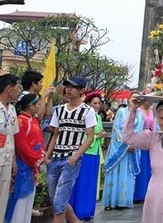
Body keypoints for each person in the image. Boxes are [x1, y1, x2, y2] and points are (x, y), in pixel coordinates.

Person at [45, 76, 97, 223]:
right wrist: (47, 156)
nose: (68, 89)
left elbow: (90, 137)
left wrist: (75, 157)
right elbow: (56, 133)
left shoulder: (87, 111)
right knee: (55, 198)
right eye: (67, 86)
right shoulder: (59, 110)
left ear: (81, 90)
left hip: (70, 158)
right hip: (54, 158)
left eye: (72, 87)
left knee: (59, 201)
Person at [5, 93, 43, 223]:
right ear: (31, 106)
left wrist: (40, 156)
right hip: (24, 163)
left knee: (29, 197)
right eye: (37, 104)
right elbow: (21, 145)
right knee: (21, 196)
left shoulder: (33, 120)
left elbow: (40, 141)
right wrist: (34, 159)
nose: (39, 107)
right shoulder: (20, 120)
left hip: (33, 164)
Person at [102, 91, 144, 210]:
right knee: (115, 172)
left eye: (138, 98)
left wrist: (134, 144)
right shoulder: (121, 112)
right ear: (129, 99)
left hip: (132, 149)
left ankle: (123, 201)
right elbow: (116, 129)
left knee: (128, 173)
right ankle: (111, 201)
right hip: (120, 147)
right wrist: (126, 145)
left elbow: (139, 131)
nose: (135, 100)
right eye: (133, 98)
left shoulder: (140, 115)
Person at [68, 91, 106, 220]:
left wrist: (100, 136)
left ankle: (88, 210)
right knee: (82, 181)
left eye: (99, 103)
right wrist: (96, 136)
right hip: (85, 152)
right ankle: (78, 210)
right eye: (94, 103)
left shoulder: (99, 117)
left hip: (95, 152)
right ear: (88, 103)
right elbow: (82, 135)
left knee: (91, 182)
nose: (97, 105)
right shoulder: (83, 115)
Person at [0, 74, 20, 220]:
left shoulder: (12, 109)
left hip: (7, 161)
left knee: (2, 199)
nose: (19, 91)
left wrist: (13, 162)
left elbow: (12, 136)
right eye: (17, 87)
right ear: (8, 88)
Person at [134, 98, 155, 202]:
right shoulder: (138, 110)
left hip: (149, 138)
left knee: (148, 165)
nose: (150, 102)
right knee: (140, 164)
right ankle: (138, 193)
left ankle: (147, 192)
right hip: (140, 136)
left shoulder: (151, 112)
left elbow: (153, 126)